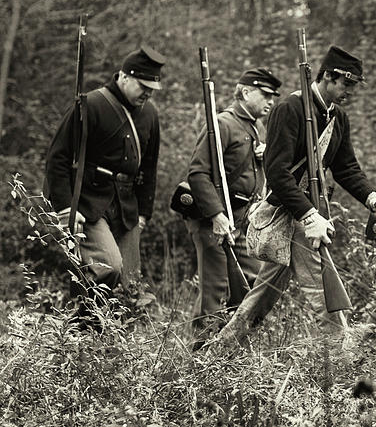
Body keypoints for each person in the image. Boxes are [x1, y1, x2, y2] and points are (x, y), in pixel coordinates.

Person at [214, 46, 376, 344]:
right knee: (322, 285)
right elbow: (277, 172)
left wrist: (371, 195)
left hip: (309, 214)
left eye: (352, 86)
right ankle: (341, 351)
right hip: (291, 213)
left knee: (262, 295)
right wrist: (309, 216)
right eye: (346, 84)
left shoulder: (337, 117)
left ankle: (217, 353)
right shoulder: (291, 109)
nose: (349, 91)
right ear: (328, 76)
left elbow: (346, 168)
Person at [44, 46, 164, 305]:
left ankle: (112, 344)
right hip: (88, 203)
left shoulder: (150, 114)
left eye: (152, 88)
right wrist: (66, 208)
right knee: (107, 266)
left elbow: (149, 167)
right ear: (124, 77)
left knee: (131, 289)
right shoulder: (92, 104)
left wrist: (144, 212)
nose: (148, 93)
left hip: (126, 208)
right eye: (143, 86)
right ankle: (83, 333)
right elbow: (58, 158)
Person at [185, 68, 281, 340]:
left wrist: (263, 159)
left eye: (273, 96)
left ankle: (231, 351)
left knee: (249, 282)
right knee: (215, 287)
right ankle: (201, 352)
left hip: (241, 218)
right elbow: (198, 172)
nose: (271, 101)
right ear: (246, 92)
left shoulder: (255, 127)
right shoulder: (222, 124)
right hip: (213, 219)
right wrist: (216, 215)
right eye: (265, 94)